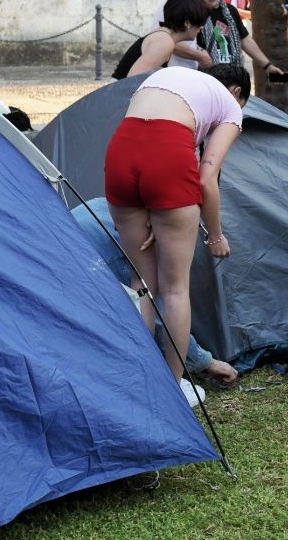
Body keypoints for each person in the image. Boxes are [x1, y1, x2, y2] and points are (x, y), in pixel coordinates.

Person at [104, 63, 251, 397]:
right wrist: (215, 235)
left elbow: (145, 135)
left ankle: (137, 379)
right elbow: (206, 176)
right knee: (174, 290)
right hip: (168, 153)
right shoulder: (229, 107)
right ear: (237, 94)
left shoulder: (167, 79)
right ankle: (172, 388)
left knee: (141, 284)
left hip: (122, 150)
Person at [70, 198, 239, 393]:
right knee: (163, 295)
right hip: (87, 255)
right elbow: (155, 308)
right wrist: (206, 362)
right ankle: (164, 383)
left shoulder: (112, 208)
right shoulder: (124, 244)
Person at [114, 0, 211, 79]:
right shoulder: (164, 42)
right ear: (187, 24)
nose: (201, 28)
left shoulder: (164, 35)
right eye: (199, 23)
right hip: (117, 95)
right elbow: (132, 80)